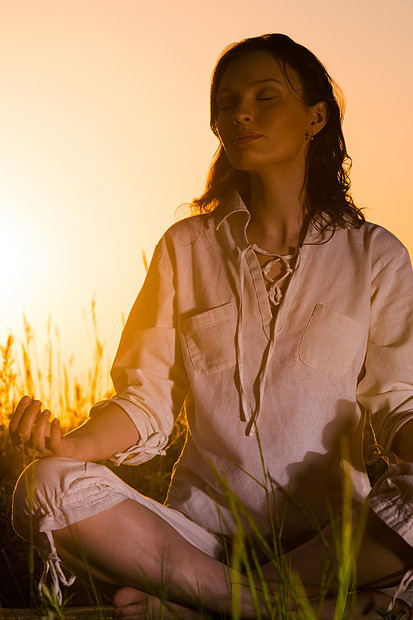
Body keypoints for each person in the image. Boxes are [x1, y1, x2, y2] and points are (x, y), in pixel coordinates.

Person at [10, 33, 413, 619]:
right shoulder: (184, 248)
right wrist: (73, 444)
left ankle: (197, 607)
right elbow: (144, 402)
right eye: (227, 103)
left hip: (328, 543)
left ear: (316, 117)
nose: (241, 112)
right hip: (198, 538)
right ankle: (291, 610)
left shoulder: (374, 255)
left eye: (265, 96)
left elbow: (399, 403)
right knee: (46, 484)